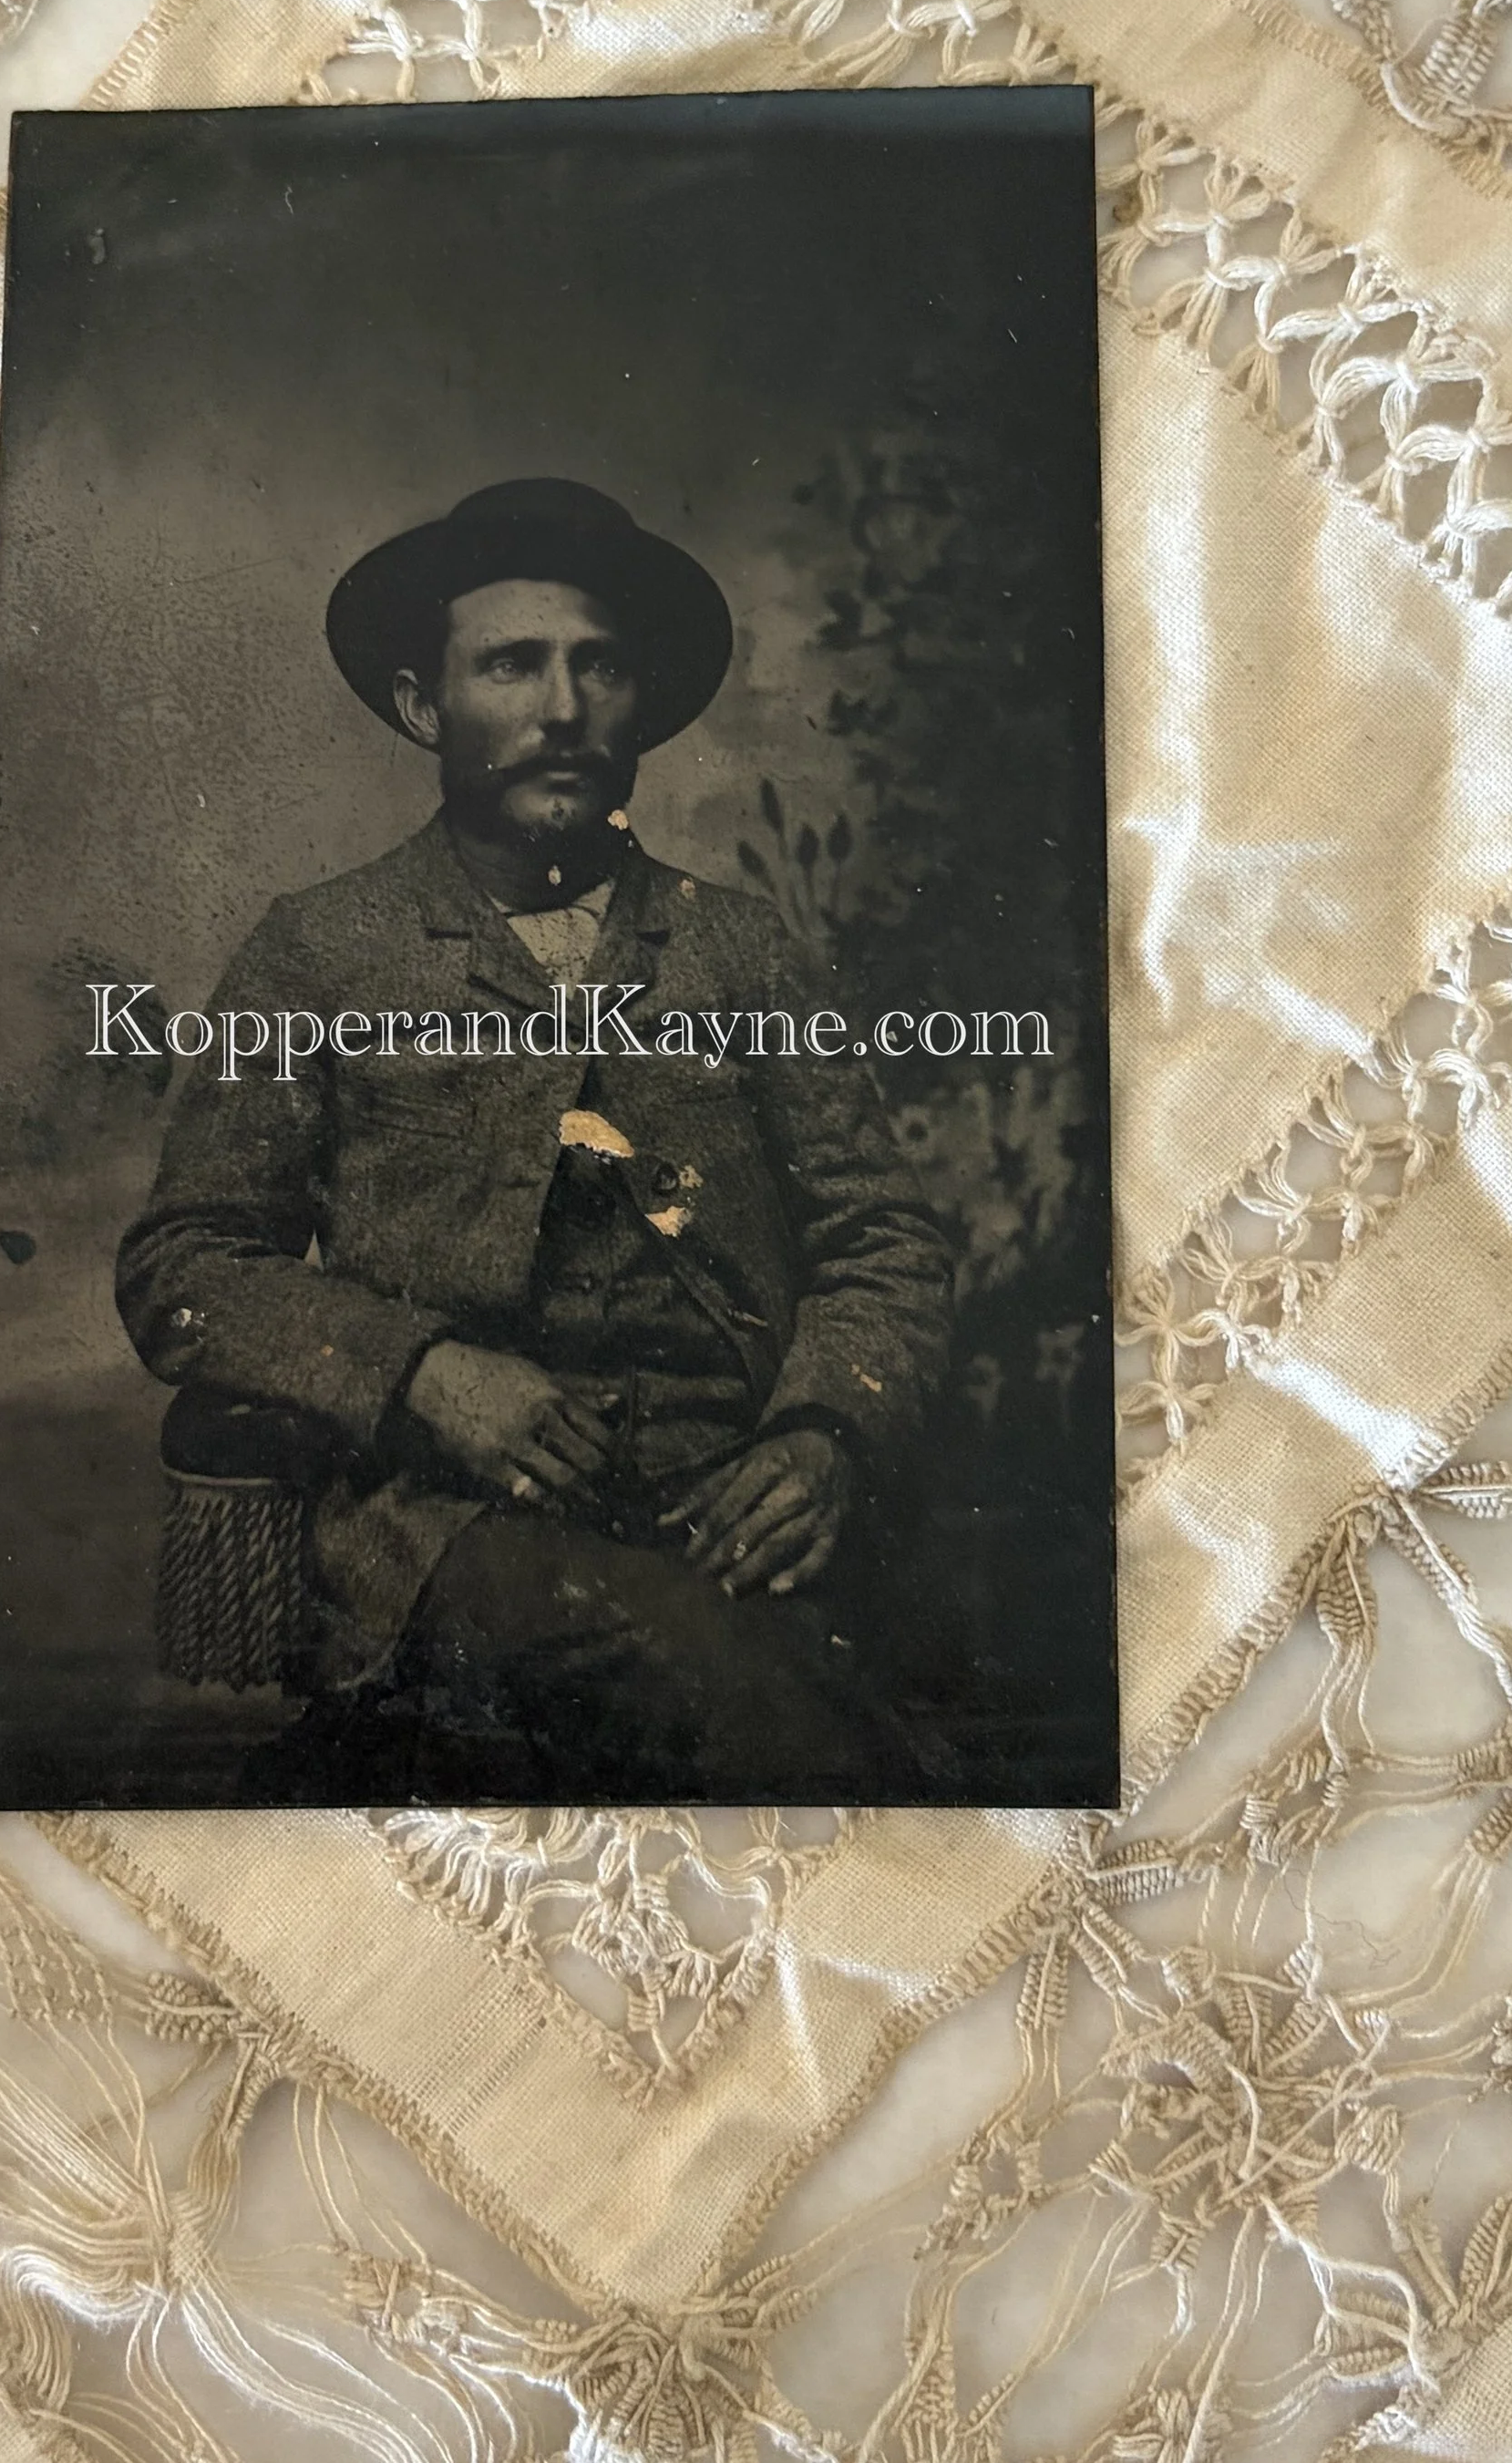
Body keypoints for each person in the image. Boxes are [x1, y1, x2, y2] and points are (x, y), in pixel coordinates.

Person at [116, 476, 954, 1798]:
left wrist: (823, 1439)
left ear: (641, 706)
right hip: (440, 1527)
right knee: (758, 1714)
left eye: (597, 667)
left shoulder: (743, 950)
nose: (561, 710)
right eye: (511, 665)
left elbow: (883, 1239)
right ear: (423, 706)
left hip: (725, 1500)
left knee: (873, 1731)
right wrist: (427, 1371)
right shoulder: (319, 949)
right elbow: (189, 1268)